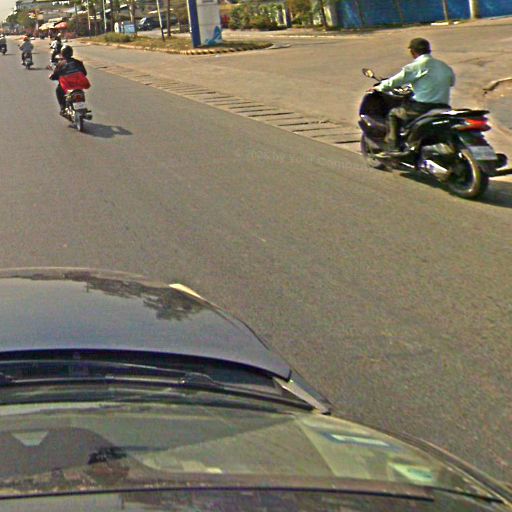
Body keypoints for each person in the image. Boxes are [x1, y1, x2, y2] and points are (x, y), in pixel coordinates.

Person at [374, 38, 456, 154]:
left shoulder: (416, 66)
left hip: (421, 108)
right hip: (443, 107)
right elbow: (451, 82)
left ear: (412, 52)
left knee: (393, 114)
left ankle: (393, 147)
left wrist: (378, 88)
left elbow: (393, 82)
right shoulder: (444, 66)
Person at [49, 45, 90, 115]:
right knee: (81, 92)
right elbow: (84, 73)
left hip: (67, 85)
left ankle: (63, 108)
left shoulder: (61, 64)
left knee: (58, 90)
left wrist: (52, 77)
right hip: (78, 85)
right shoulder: (78, 62)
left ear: (62, 54)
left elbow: (55, 75)